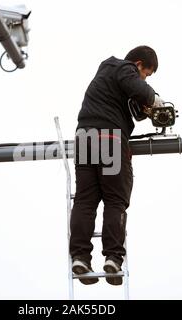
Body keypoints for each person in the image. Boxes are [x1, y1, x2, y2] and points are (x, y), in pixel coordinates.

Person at [70, 46, 163, 285]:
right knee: (115, 200)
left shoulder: (106, 73)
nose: (143, 78)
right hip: (109, 139)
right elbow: (135, 84)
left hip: (84, 138)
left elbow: (129, 94)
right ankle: (113, 257)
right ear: (139, 64)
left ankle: (80, 257)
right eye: (147, 74)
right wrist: (156, 101)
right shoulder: (123, 67)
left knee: (85, 200)